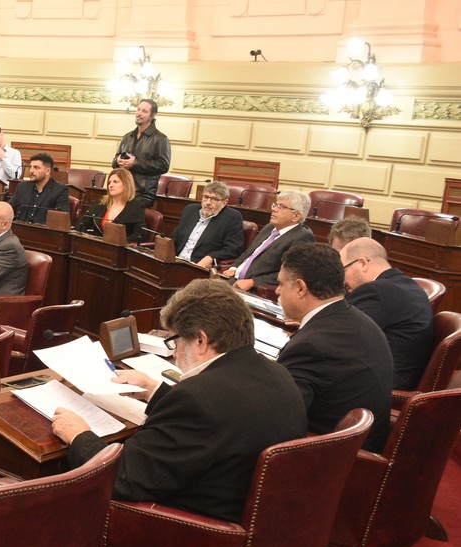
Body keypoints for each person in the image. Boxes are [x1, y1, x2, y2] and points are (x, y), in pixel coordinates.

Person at [52, 279, 307, 523]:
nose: (174, 353)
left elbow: (123, 479)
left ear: (200, 340)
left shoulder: (197, 398)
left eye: (175, 341)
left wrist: (79, 435)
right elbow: (221, 422)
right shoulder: (278, 373)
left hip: (185, 533)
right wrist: (154, 391)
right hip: (254, 519)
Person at [275, 243, 393, 452]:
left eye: (281, 284)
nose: (277, 290)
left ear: (301, 288)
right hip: (360, 445)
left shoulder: (311, 346)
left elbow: (280, 420)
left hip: (331, 458)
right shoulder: (357, 319)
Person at [340, 237, 434, 390]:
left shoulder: (375, 291)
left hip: (379, 386)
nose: (342, 280)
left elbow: (339, 336)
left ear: (362, 263)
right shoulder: (407, 284)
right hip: (400, 378)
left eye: (343, 270)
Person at [223, 190, 315, 291]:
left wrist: (253, 282)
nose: (274, 209)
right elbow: (249, 253)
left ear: (296, 216)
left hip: (254, 289)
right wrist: (234, 267)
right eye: (275, 205)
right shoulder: (270, 227)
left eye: (281, 207)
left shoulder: (302, 237)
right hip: (232, 279)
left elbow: (292, 274)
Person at [111, 98, 171, 207]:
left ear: (153, 115)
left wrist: (135, 163)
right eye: (138, 109)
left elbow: (163, 166)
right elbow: (114, 162)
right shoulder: (127, 137)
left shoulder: (160, 138)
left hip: (142, 194)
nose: (139, 113)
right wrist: (117, 161)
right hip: (122, 190)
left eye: (144, 111)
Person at [170, 181, 244, 267]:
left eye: (214, 199)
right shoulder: (190, 210)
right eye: (206, 197)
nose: (208, 202)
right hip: (176, 261)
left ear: (225, 202)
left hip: (199, 266)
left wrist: (211, 257)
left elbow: (234, 249)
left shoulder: (232, 217)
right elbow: (175, 238)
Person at [76, 168, 146, 241]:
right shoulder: (101, 202)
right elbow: (81, 224)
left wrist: (121, 243)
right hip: (96, 246)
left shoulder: (136, 206)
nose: (111, 185)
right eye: (109, 182)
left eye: (115, 182)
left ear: (126, 184)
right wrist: (87, 238)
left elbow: (140, 234)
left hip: (119, 249)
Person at [8, 152, 70, 224]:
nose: (31, 171)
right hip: (20, 229)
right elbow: (9, 208)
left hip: (43, 233)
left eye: (36, 167)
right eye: (30, 167)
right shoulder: (22, 187)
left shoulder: (59, 190)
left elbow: (61, 219)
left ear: (47, 171)